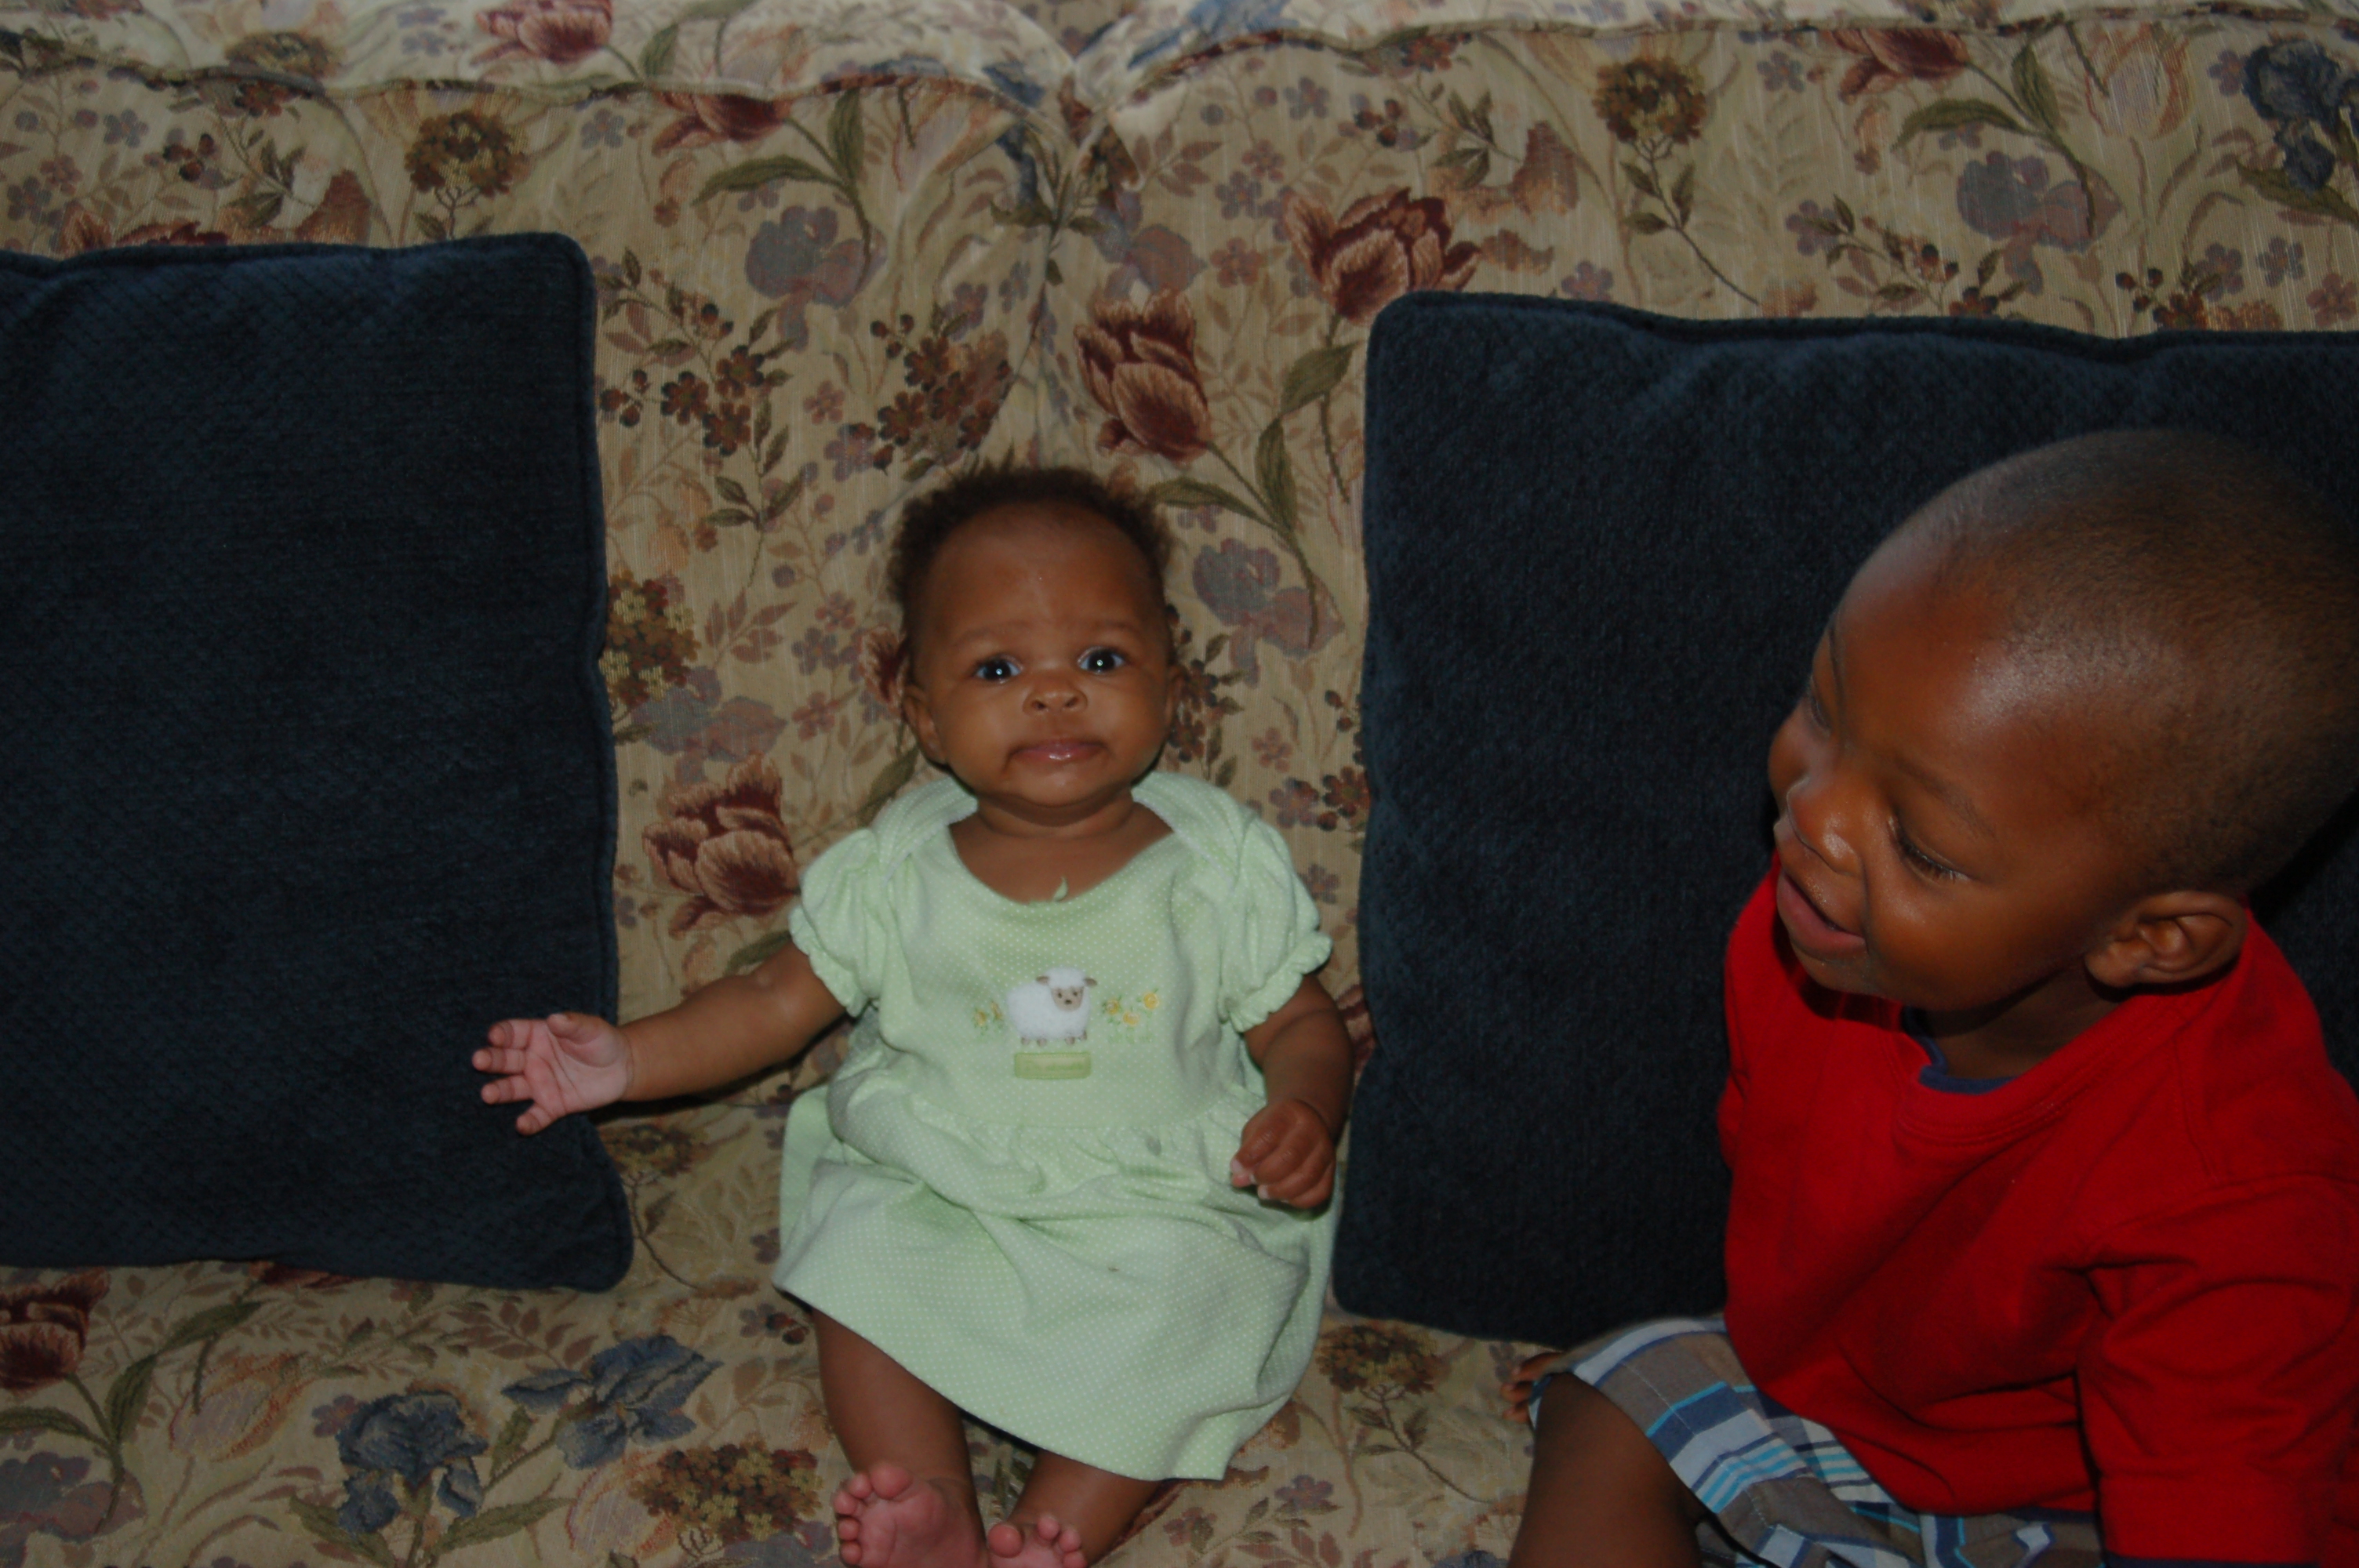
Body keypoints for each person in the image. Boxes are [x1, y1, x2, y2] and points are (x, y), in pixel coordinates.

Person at [1503, 430, 2359, 1567]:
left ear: (2148, 938)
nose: (1812, 818)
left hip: (2086, 1504)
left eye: (1919, 845)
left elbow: (2221, 1508)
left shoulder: (2239, 1187)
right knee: (1606, 1397)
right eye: (1827, 711)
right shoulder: (1823, 927)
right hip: (1857, 1423)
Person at [477, 465, 1354, 1568]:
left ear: (1172, 688)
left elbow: (1301, 1026)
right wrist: (628, 1061)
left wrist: (1305, 1111)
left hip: (1160, 1202)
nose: (1054, 694)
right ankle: (932, 1503)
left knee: (1198, 1303)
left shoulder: (1217, 864)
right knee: (858, 1262)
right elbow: (772, 999)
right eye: (998, 668)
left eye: (1100, 659)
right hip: (947, 1184)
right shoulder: (897, 870)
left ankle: (1053, 1531)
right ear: (926, 713)